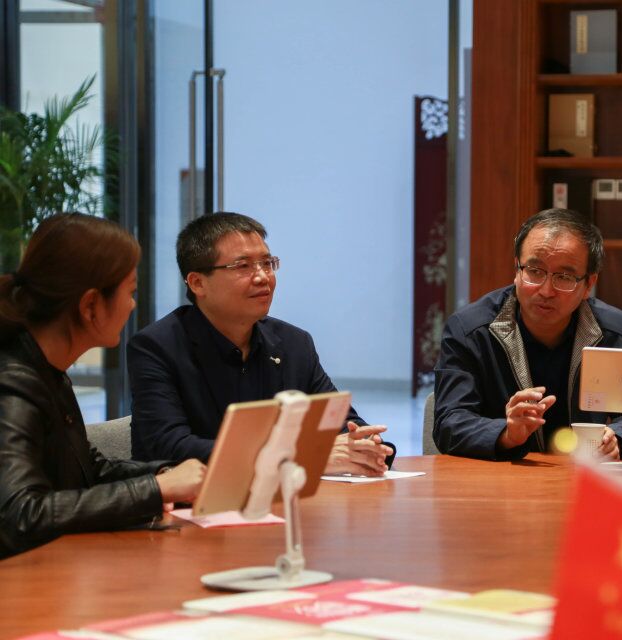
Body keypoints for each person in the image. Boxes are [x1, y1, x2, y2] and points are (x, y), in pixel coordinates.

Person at [0, 213, 206, 558]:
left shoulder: (47, 370)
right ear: (91, 305)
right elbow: (20, 515)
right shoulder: (13, 383)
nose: (133, 305)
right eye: (130, 292)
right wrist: (156, 489)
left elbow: (86, 470)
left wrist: (163, 475)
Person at [128, 213, 393, 476]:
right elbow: (169, 447)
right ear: (198, 283)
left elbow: (341, 423)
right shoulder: (156, 347)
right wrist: (300, 456)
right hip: (191, 499)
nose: (263, 277)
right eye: (243, 266)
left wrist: (368, 446)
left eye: (267, 263)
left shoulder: (294, 343)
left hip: (284, 497)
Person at [433, 208, 622, 461]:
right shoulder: (469, 330)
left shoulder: (616, 332)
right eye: (534, 271)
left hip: (586, 473)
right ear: (517, 270)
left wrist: (617, 438)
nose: (546, 291)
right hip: (504, 475)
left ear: (589, 284)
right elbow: (449, 422)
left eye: (564, 277)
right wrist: (506, 433)